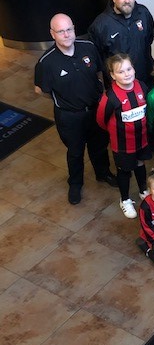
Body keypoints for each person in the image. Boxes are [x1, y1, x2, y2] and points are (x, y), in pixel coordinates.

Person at [34, 13, 116, 205]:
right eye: (61, 31)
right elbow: (41, 90)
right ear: (52, 34)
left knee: (99, 145)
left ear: (74, 29)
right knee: (75, 151)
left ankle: (103, 173)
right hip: (69, 116)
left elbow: (99, 71)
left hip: (95, 110)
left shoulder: (88, 47)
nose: (66, 35)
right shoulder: (46, 62)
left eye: (69, 29)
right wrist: (63, 100)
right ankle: (76, 184)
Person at [96, 53, 151, 219]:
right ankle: (125, 199)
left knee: (140, 163)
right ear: (113, 75)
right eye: (120, 72)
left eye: (129, 69)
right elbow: (101, 120)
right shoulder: (110, 97)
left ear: (134, 69)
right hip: (122, 144)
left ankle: (143, 190)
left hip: (141, 138)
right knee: (125, 170)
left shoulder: (141, 86)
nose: (126, 74)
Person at [88, 0, 154, 88]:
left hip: (146, 80)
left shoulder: (143, 13)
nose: (127, 0)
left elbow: (150, 38)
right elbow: (97, 59)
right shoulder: (100, 25)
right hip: (119, 87)